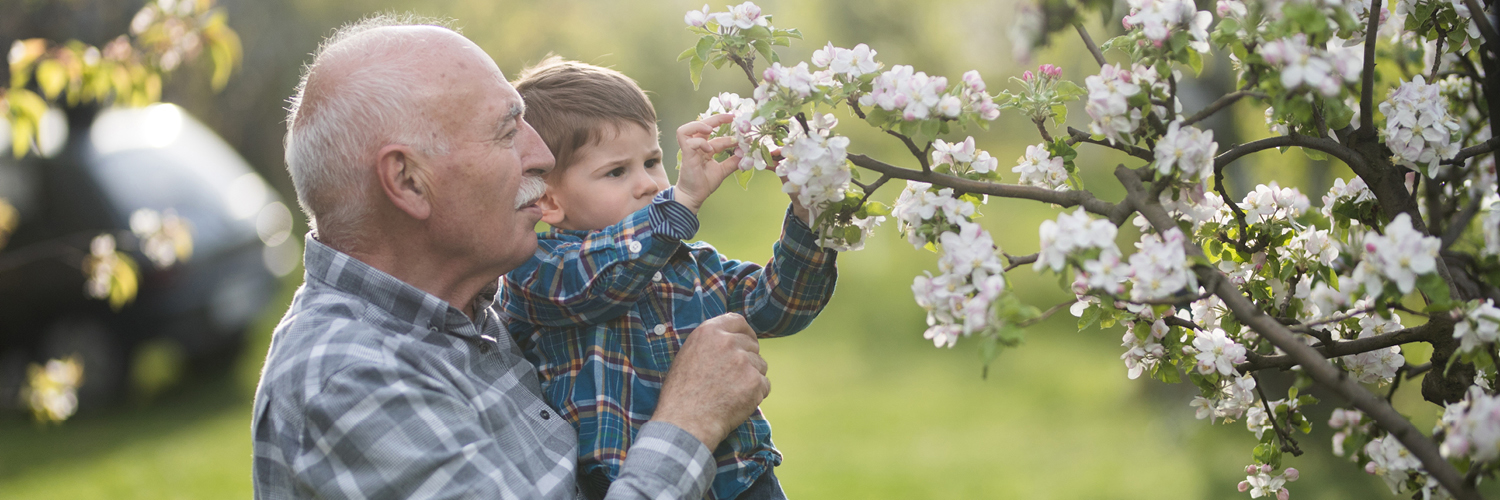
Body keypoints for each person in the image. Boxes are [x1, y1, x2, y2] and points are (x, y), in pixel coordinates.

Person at [251, 15, 769, 500]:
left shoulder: (471, 309)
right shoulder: (354, 381)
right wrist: (689, 421)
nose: (543, 156)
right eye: (507, 132)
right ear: (409, 181)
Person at [501, 58, 838, 500]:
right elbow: (601, 285)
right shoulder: (538, 269)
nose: (648, 184)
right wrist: (678, 205)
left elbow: (782, 307)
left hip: (741, 481)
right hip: (630, 484)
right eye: (617, 171)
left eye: (652, 161)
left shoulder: (691, 265)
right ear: (549, 201)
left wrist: (808, 217)